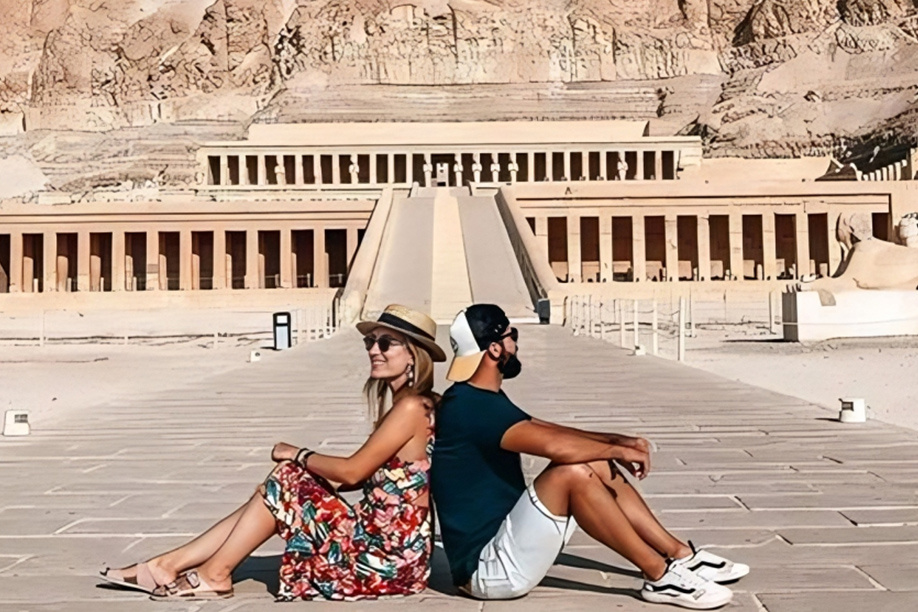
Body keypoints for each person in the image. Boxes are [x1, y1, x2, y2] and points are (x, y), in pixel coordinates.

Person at [100, 304, 446, 601]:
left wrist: (298, 454)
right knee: (284, 485)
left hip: (385, 559)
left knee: (288, 476)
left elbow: (353, 471)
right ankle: (168, 565)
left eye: (386, 343)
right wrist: (292, 487)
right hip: (394, 550)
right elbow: (368, 477)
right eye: (370, 341)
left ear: (413, 354)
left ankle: (213, 574)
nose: (374, 350)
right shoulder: (417, 405)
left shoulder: (411, 408)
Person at [431, 304, 749, 610]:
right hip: (487, 572)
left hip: (504, 547)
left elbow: (543, 428)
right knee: (570, 474)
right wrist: (617, 450)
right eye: (512, 336)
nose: (516, 344)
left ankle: (679, 554)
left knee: (592, 458)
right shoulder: (472, 408)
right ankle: (659, 575)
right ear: (495, 349)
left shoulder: (478, 398)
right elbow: (555, 447)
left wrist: (615, 441)